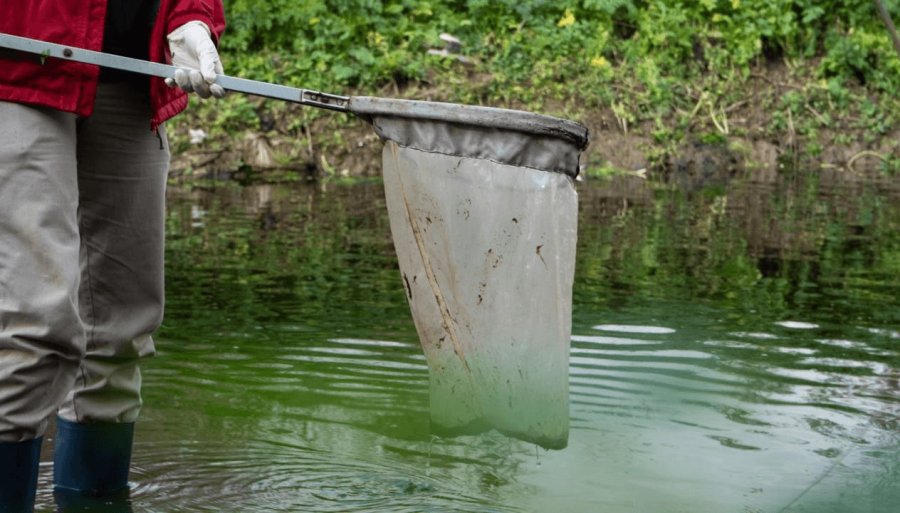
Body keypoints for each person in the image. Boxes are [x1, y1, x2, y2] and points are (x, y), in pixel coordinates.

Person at [0, 1, 226, 511]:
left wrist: (190, 18)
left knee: (121, 327)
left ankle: (96, 500)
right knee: (33, 327)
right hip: (18, 65)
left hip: (132, 76)